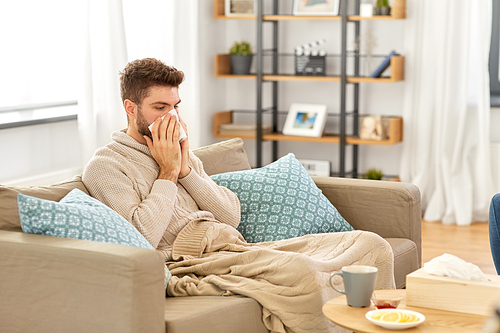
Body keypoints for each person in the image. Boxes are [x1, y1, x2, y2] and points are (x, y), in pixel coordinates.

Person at [83, 58, 395, 333]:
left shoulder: (180, 153)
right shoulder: (106, 165)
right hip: (189, 262)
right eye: (160, 108)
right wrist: (166, 173)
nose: (172, 118)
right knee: (302, 272)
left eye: (176, 106)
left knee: (371, 244)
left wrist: (185, 171)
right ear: (130, 108)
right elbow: (142, 238)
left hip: (233, 246)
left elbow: (231, 216)